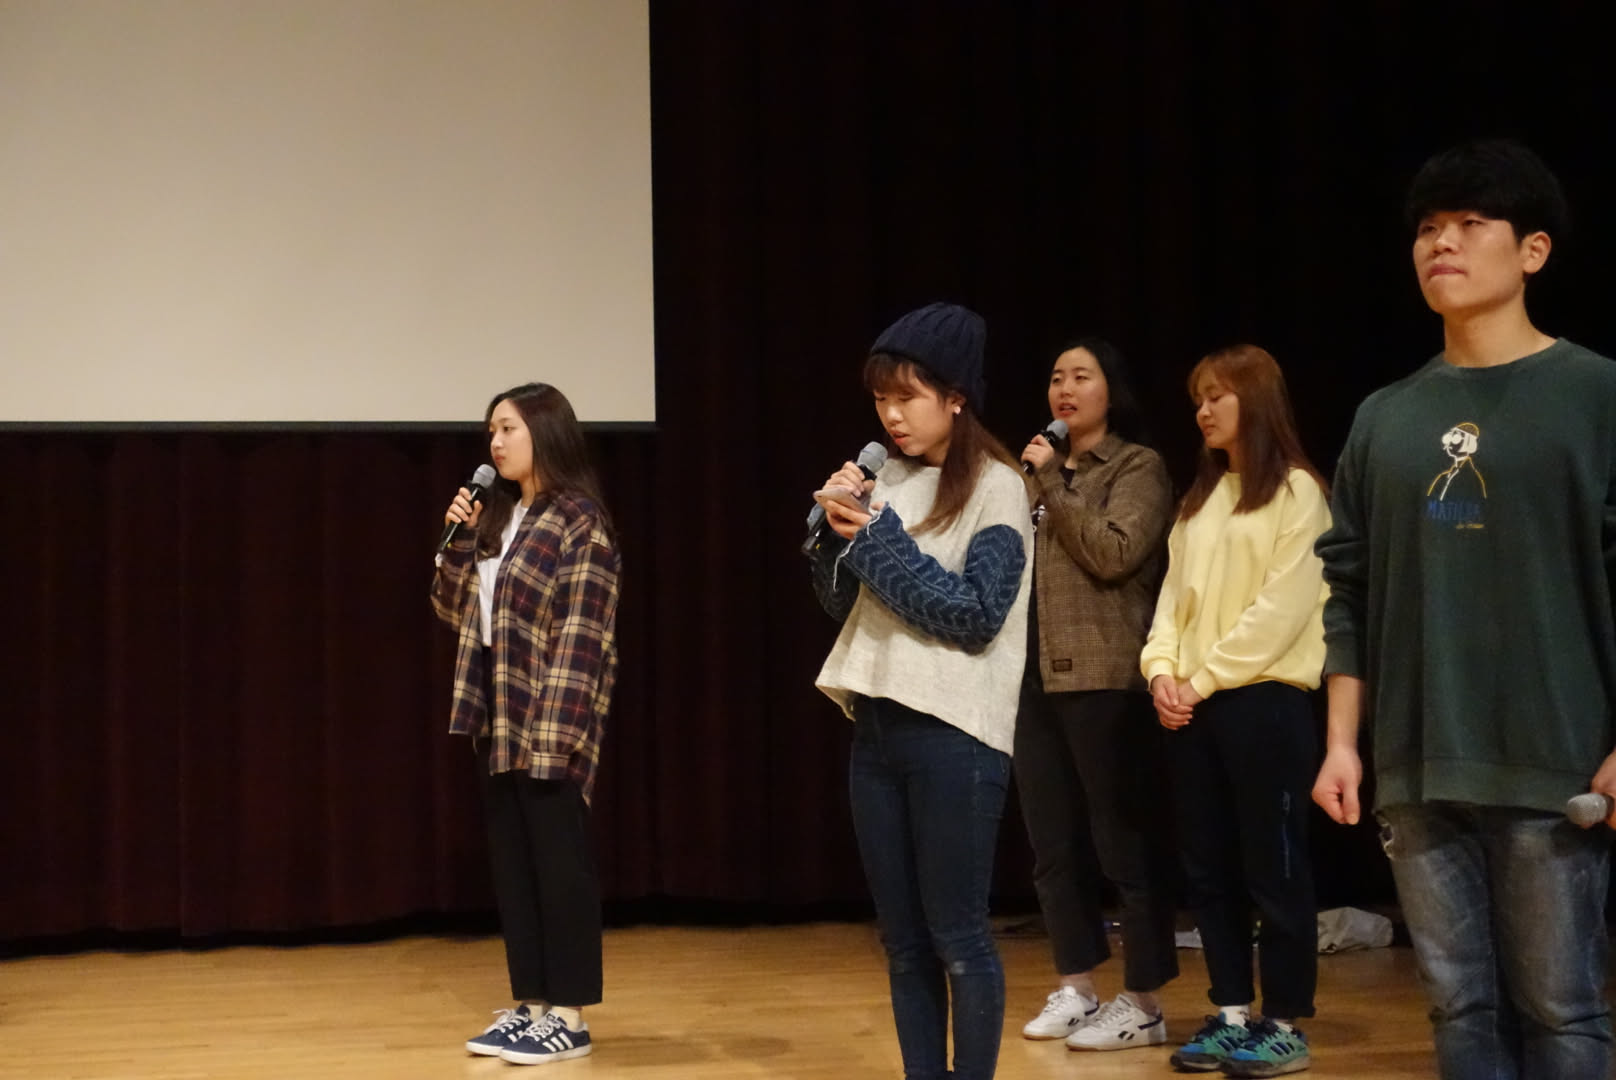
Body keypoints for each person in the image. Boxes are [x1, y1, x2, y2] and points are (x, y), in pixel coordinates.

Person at [1312, 138, 1616, 1080]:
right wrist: (1343, 743)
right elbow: (1349, 586)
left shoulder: (1596, 394)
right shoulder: (1384, 416)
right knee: (1458, 1010)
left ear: (1533, 250)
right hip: (1417, 763)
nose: (1440, 242)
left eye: (1470, 224)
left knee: (1562, 1011)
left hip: (1554, 760)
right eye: (1428, 228)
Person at [809, 302, 1032, 1080]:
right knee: (902, 943)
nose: (891, 416)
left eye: (907, 396)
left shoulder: (999, 487)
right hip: (875, 729)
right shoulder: (889, 480)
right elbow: (841, 606)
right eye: (881, 399)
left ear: (957, 396)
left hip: (955, 737)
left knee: (959, 937)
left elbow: (975, 615)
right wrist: (828, 537)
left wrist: (875, 538)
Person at [1139, 344, 1331, 1077]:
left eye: (1218, 395)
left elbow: (1281, 610)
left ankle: (1282, 1020)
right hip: (1193, 706)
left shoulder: (1299, 493)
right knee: (1207, 867)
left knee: (1272, 868)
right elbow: (1171, 601)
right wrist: (1161, 672)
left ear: (1257, 400)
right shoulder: (1201, 498)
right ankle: (1229, 1013)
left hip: (1265, 702)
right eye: (1199, 398)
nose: (1204, 410)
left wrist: (1203, 679)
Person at [430, 382, 622, 1067]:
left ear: (546, 431)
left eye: (508, 428)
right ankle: (533, 1003)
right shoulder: (503, 517)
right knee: (515, 867)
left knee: (559, 868)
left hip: (551, 716)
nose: (496, 442)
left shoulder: (578, 521)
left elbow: (584, 632)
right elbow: (453, 610)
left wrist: (556, 730)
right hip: (499, 717)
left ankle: (569, 1015)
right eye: (491, 431)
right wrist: (458, 539)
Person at [1012, 338, 1180, 1051]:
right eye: (1056, 377)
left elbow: (1114, 554)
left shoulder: (1138, 466)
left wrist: (1053, 484)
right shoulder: (1033, 474)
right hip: (1034, 676)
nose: (1065, 389)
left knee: (1124, 844)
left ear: (1112, 390)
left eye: (1082, 376)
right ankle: (1077, 987)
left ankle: (1143, 1000)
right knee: (1053, 846)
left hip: (1108, 675)